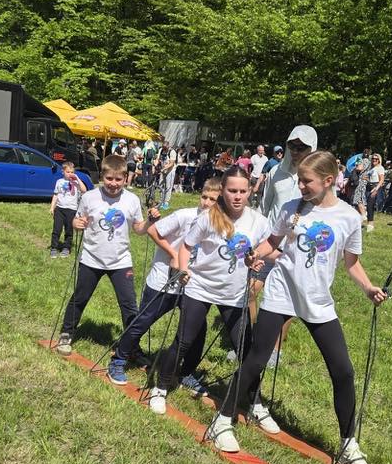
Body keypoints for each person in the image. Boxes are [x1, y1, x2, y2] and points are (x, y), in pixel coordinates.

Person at [206, 151, 388, 464]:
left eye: (307, 181)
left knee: (343, 372)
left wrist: (368, 288)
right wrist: (255, 254)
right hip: (281, 295)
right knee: (256, 359)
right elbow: (272, 242)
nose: (301, 186)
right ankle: (222, 421)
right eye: (300, 180)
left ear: (329, 181)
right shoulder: (292, 208)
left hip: (318, 303)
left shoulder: (348, 217)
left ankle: (348, 445)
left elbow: (351, 263)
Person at [149, 166, 271, 412]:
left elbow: (270, 245)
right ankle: (160, 388)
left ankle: (256, 403)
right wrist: (184, 268)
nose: (237, 196)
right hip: (201, 288)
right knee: (183, 341)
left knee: (246, 349)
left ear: (250, 191)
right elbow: (186, 246)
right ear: (223, 190)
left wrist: (258, 256)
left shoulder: (258, 220)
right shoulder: (208, 217)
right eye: (232, 191)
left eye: (242, 191)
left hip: (234, 294)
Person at [107, 178, 222, 386]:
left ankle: (186, 372)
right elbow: (153, 231)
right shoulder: (185, 215)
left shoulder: (219, 225)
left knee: (198, 330)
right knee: (143, 320)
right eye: (204, 197)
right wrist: (174, 254)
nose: (206, 203)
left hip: (191, 286)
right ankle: (119, 359)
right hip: (164, 280)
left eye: (212, 199)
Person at [55, 155, 158, 358]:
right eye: (109, 178)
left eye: (118, 179)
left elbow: (138, 229)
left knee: (129, 304)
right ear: (102, 176)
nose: (113, 183)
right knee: (80, 297)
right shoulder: (89, 197)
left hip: (120, 261)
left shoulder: (132, 200)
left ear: (125, 178)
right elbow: (77, 220)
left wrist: (149, 222)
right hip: (91, 258)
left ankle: (132, 345)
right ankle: (67, 332)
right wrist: (77, 224)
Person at [255, 126, 317, 365]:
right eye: (293, 145)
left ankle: (275, 350)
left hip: (294, 247)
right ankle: (251, 341)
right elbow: (265, 207)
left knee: (286, 300)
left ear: (312, 148)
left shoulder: (316, 178)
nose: (296, 150)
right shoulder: (276, 173)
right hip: (269, 243)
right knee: (250, 291)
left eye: (302, 147)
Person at [49, 162, 87, 258]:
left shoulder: (76, 182)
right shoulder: (59, 182)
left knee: (69, 230)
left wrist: (77, 179)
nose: (70, 174)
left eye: (72, 172)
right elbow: (56, 195)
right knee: (56, 229)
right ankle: (54, 247)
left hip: (71, 209)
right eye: (68, 172)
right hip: (60, 209)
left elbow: (84, 190)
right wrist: (52, 207)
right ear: (63, 172)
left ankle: (66, 247)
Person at [366, 153, 385, 231]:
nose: (374, 160)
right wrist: (366, 179)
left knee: (370, 206)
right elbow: (371, 178)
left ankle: (370, 225)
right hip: (369, 186)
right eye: (373, 158)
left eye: (376, 159)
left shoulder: (380, 168)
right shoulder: (372, 168)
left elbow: (381, 180)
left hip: (375, 187)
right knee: (368, 205)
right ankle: (369, 223)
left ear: (379, 160)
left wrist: (376, 189)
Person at [156, 140, 178, 209]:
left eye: (165, 147)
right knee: (161, 185)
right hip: (163, 170)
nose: (164, 149)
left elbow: (171, 163)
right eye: (163, 147)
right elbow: (157, 159)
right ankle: (161, 201)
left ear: (168, 146)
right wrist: (155, 164)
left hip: (170, 171)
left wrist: (164, 168)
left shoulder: (172, 152)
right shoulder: (161, 150)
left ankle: (166, 202)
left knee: (168, 186)